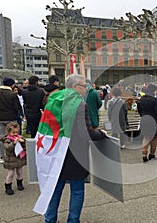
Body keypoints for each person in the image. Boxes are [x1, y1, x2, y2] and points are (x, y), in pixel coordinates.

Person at [38, 74, 107, 223]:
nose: (86, 89)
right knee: (77, 190)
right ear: (75, 87)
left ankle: (49, 219)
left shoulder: (54, 99)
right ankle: (73, 220)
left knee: (55, 190)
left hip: (55, 151)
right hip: (75, 154)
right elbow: (86, 132)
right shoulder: (80, 104)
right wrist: (101, 134)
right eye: (84, 86)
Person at [0, 77, 22, 163]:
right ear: (11, 85)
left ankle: (2, 156)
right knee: (14, 136)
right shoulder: (13, 94)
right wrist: (18, 115)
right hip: (11, 118)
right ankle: (14, 154)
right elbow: (17, 107)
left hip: (0, 118)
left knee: (1, 137)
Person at [137, 84, 157, 163]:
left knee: (146, 138)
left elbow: (139, 111)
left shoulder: (141, 100)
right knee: (154, 138)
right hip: (154, 120)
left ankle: (144, 155)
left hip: (144, 119)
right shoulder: (155, 101)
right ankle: (152, 154)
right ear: (154, 91)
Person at [1, 122, 27, 195]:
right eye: (13, 132)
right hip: (11, 160)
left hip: (19, 159)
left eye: (17, 132)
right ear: (9, 132)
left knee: (19, 172)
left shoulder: (20, 137)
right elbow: (7, 148)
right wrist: (13, 144)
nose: (15, 134)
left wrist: (23, 142)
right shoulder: (7, 140)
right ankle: (8, 186)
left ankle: (20, 183)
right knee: (11, 173)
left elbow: (24, 148)